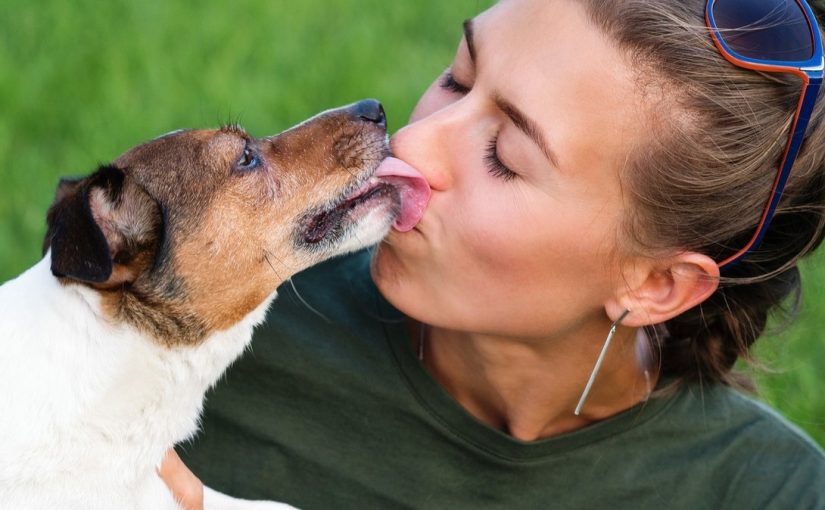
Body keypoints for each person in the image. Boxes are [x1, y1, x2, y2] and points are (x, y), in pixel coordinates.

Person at [161, 0, 825, 508]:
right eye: (457, 78)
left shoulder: (771, 492)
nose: (414, 143)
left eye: (505, 158)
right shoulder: (205, 321)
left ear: (657, 284)